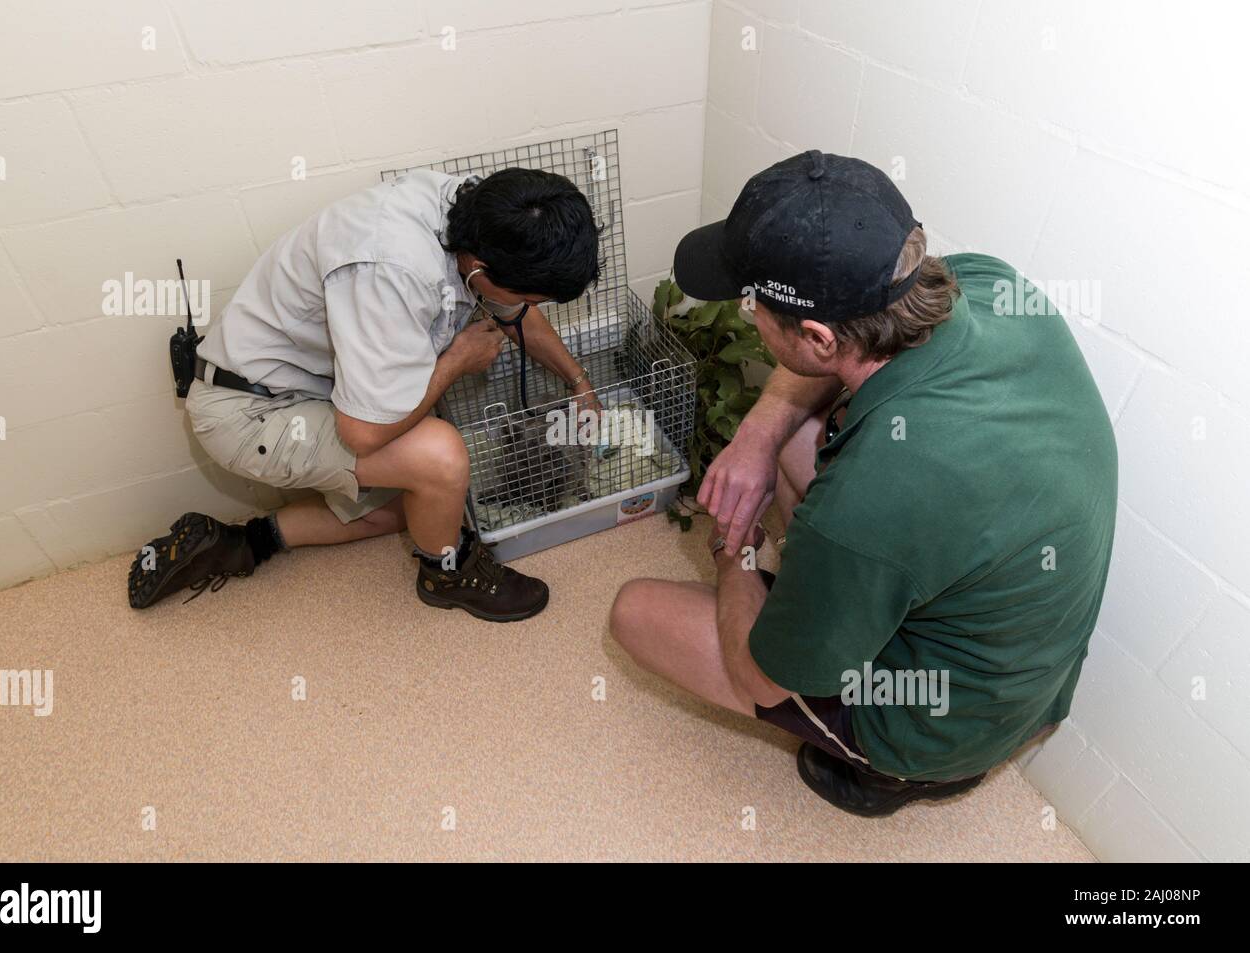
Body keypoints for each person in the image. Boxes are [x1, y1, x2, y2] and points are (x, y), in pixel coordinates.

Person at [609, 151, 1117, 816]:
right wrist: (758, 437)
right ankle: (828, 604)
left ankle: (898, 774)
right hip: (1024, 668)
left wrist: (733, 548)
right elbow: (840, 363)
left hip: (944, 721)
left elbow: (760, 680)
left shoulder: (868, 497)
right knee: (793, 432)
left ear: (818, 337)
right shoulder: (989, 284)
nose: (746, 313)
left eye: (751, 302)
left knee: (634, 613)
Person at [129, 168, 601, 622]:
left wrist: (579, 383)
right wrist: (456, 361)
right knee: (441, 460)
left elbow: (513, 305)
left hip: (301, 384)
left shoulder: (483, 214)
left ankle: (239, 544)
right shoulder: (390, 268)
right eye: (532, 299)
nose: (528, 310)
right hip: (250, 413)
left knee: (426, 508)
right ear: (479, 269)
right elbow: (363, 433)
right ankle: (446, 576)